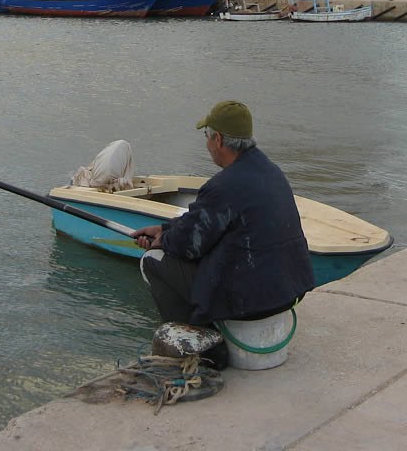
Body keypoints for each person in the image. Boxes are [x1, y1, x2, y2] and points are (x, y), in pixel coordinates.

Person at [134, 101, 315, 360]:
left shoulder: (223, 186)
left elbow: (188, 245)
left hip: (252, 302)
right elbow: (207, 227)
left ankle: (204, 351)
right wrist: (166, 229)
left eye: (207, 136)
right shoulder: (271, 171)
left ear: (218, 139)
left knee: (153, 262)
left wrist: (164, 240)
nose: (207, 144)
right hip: (288, 292)